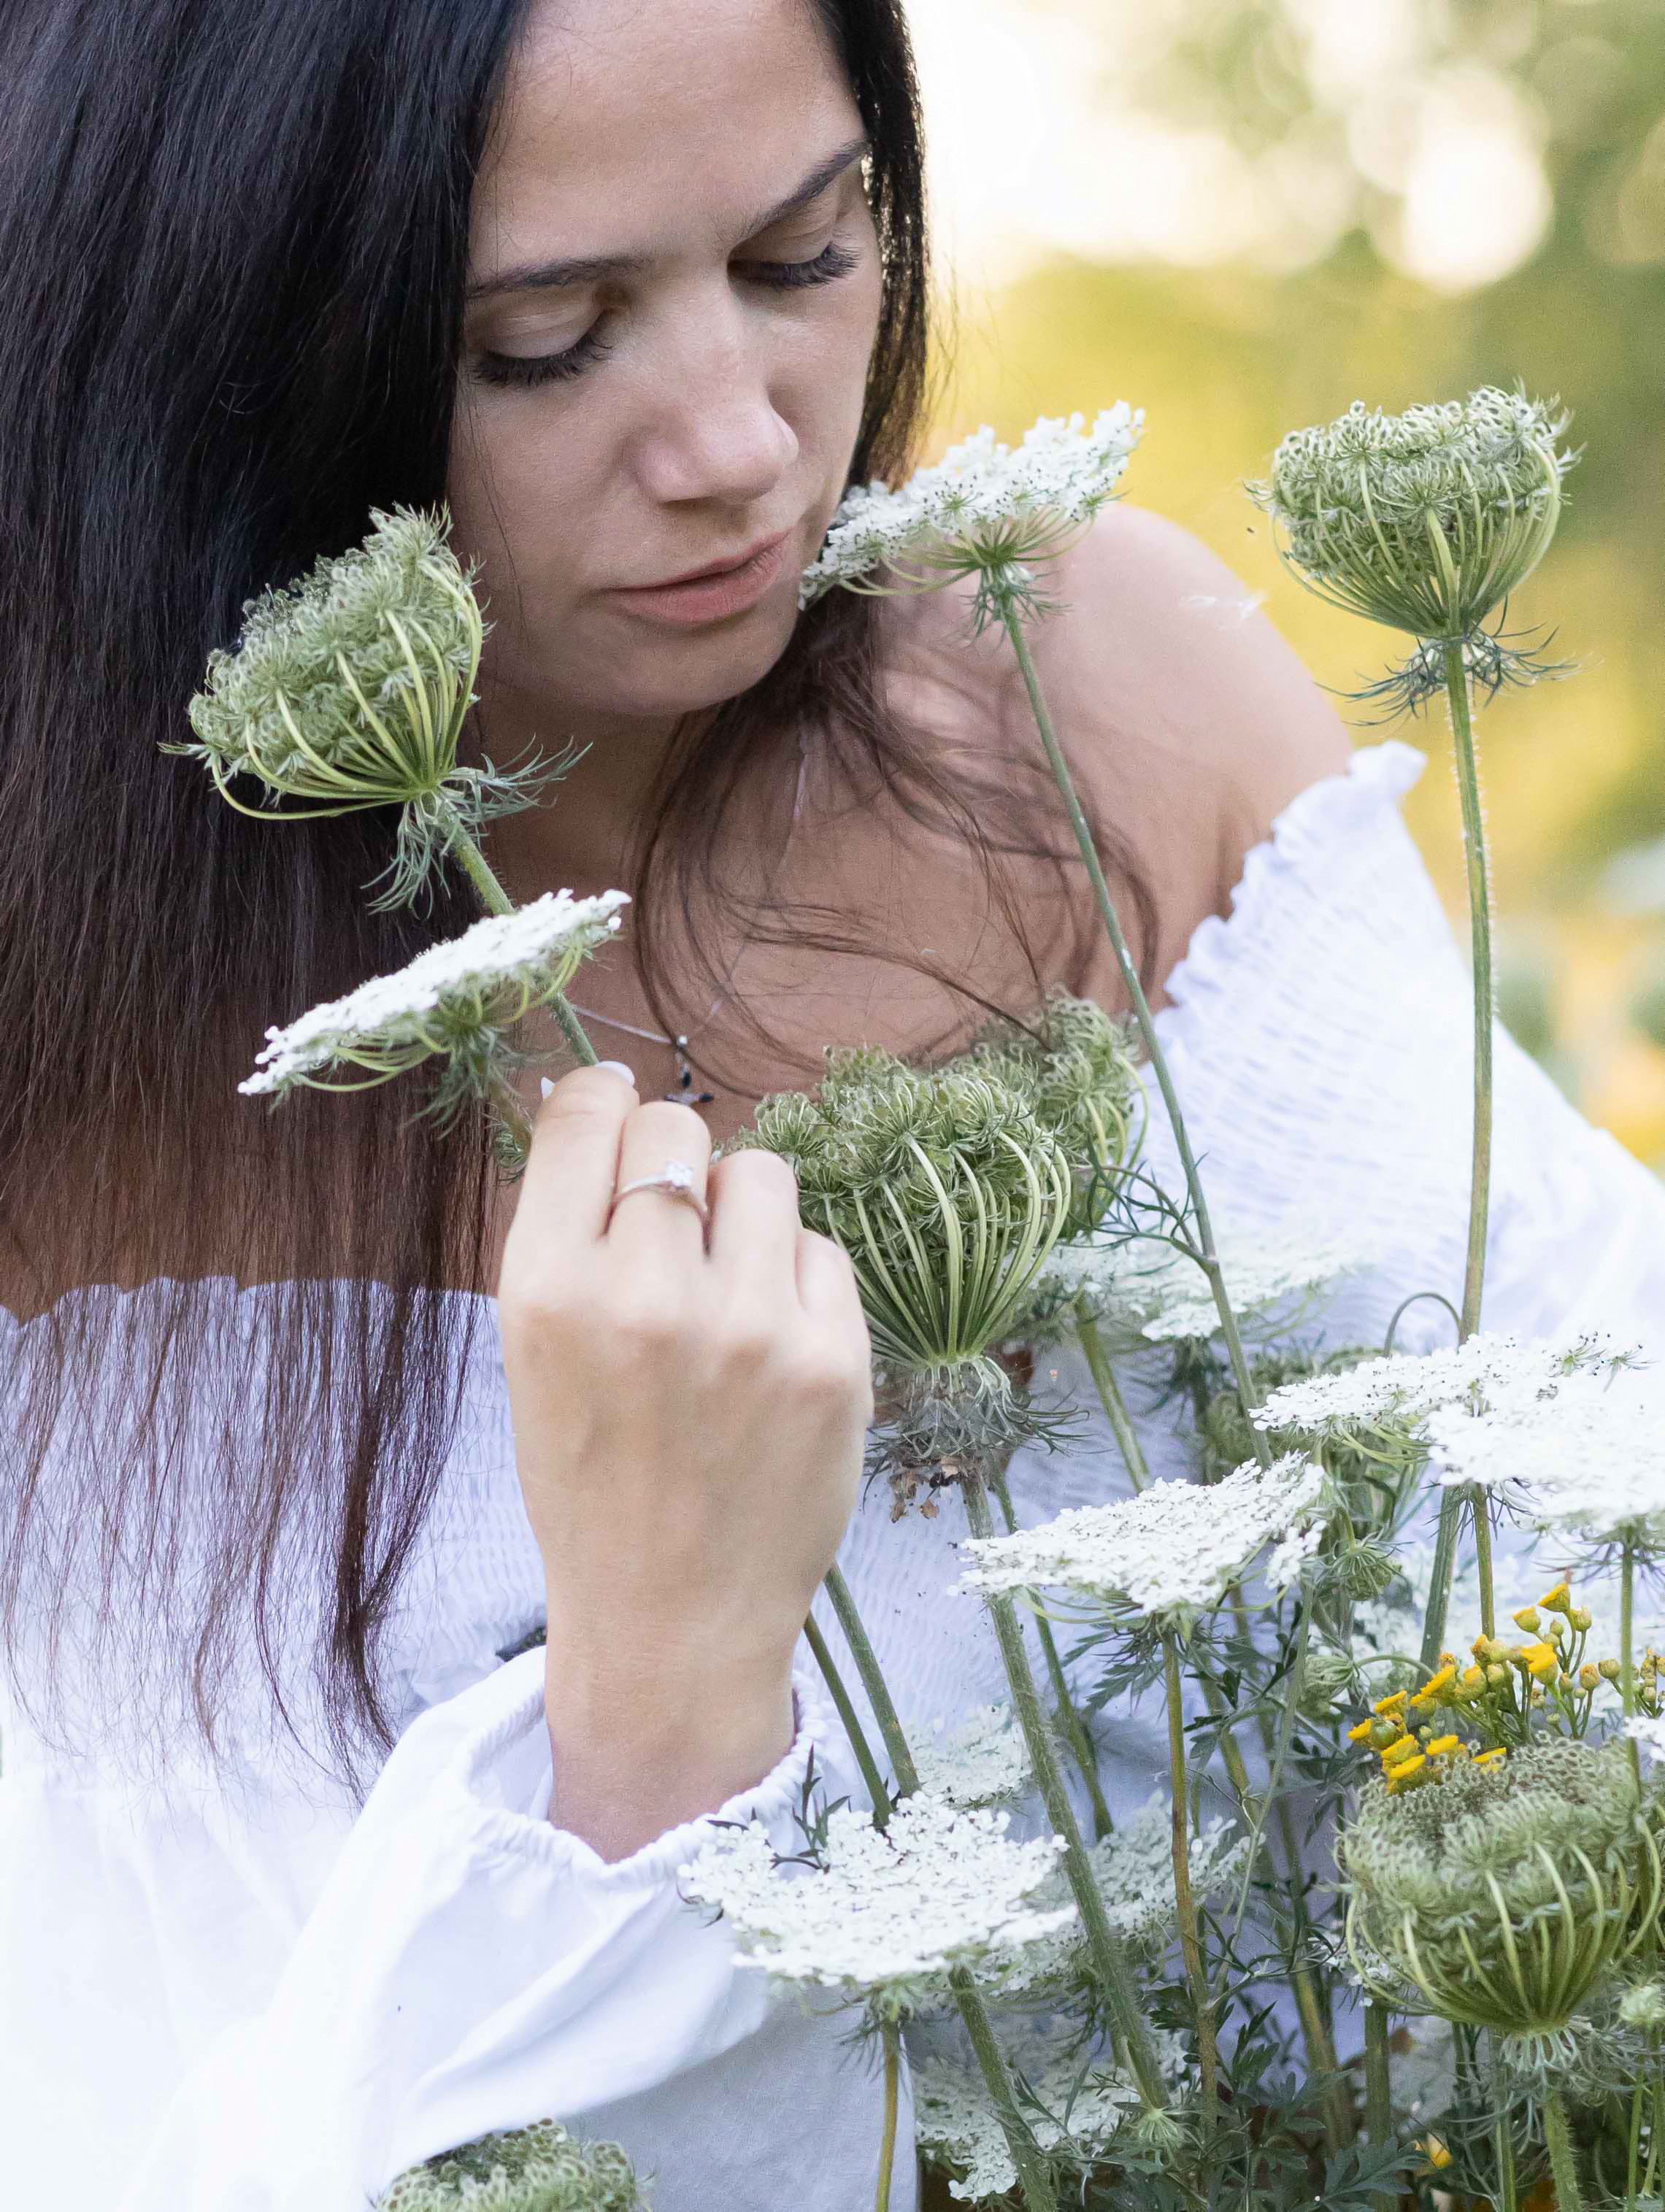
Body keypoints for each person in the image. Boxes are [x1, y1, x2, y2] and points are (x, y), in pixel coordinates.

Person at [4, 1, 1664, 2208]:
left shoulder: (1088, 710)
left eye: (802, 261)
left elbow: (1577, 1463)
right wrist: (653, 1699)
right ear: (215, 353)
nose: (736, 445)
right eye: (545, 341)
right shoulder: (60, 1083)